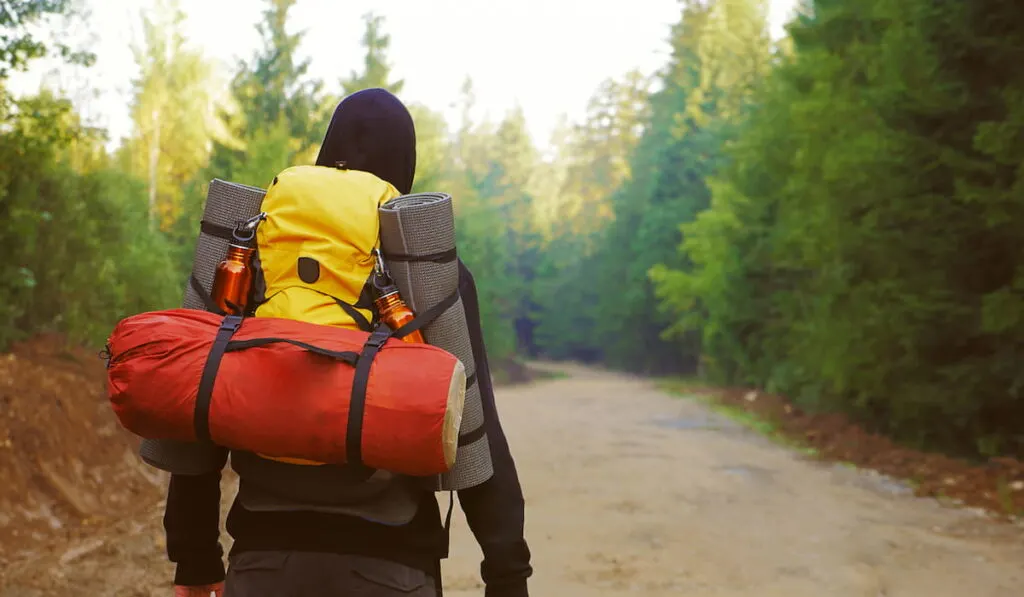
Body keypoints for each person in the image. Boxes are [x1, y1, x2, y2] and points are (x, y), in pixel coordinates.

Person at [167, 88, 532, 597]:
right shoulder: (428, 272)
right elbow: (474, 428)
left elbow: (195, 404)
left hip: (263, 560)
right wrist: (507, 574)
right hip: (392, 563)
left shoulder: (251, 253)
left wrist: (194, 555)